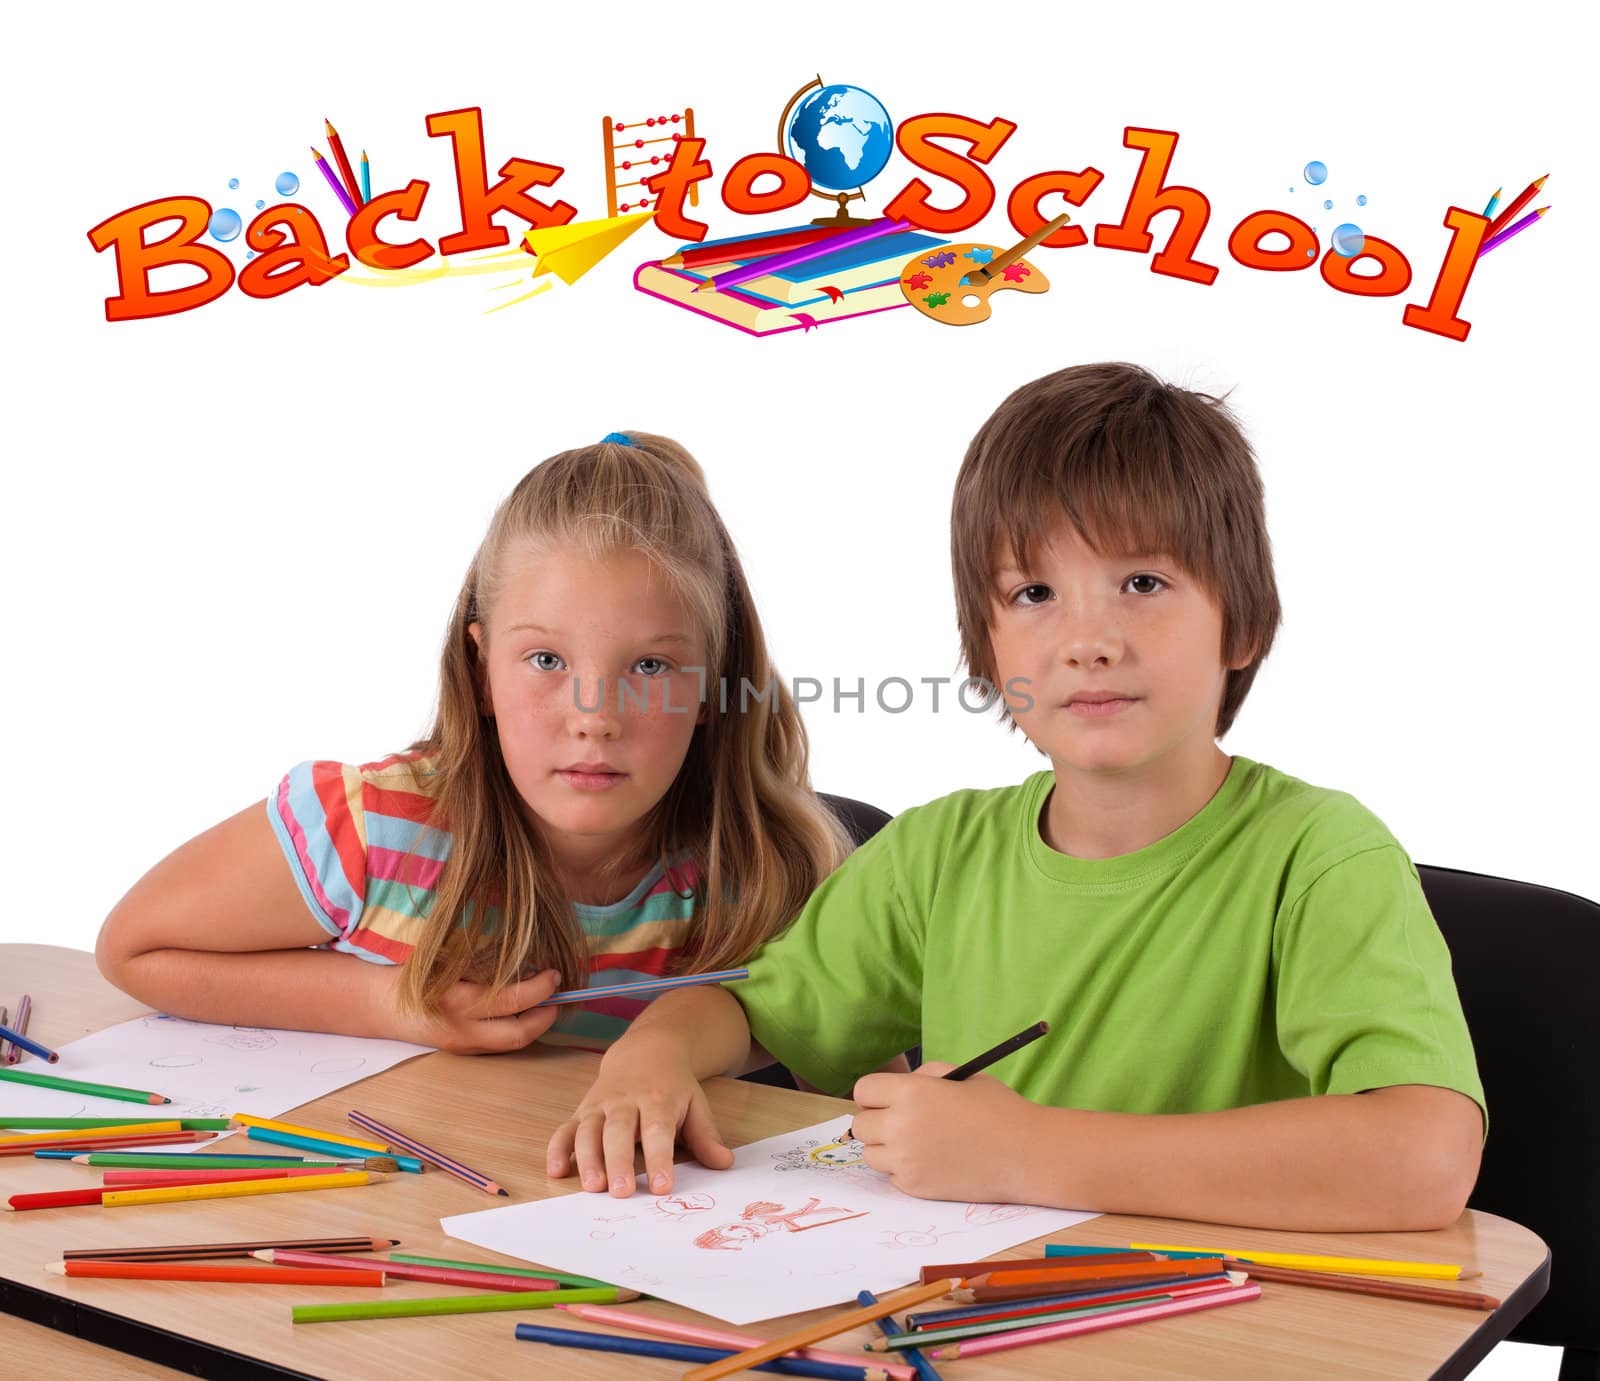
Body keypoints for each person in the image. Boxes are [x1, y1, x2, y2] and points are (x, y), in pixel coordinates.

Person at [550, 367, 1486, 1229]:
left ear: (1240, 619)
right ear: (987, 645)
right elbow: (757, 1009)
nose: (1089, 640)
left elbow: (1427, 1158)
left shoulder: (1320, 858)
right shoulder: (939, 853)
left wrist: (1027, 1151)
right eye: (1035, 591)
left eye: (1143, 582)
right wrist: (654, 1053)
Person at [96, 433, 851, 1056]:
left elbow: (853, 1064)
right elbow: (134, 948)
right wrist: (394, 1003)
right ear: (482, 671)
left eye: (649, 665)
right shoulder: (375, 828)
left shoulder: (765, 867)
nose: (594, 717)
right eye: (547, 661)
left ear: (711, 689)